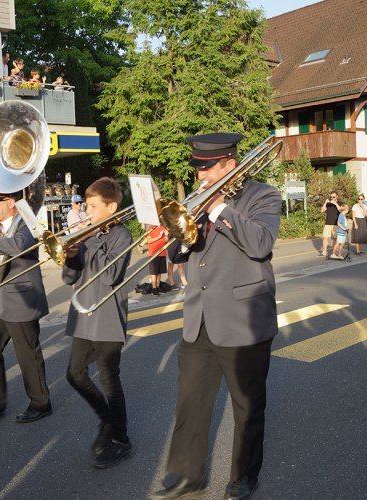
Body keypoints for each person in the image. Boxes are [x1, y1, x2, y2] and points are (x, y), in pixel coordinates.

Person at [151, 133, 281, 500]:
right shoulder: (197, 199)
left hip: (244, 317)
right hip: (199, 318)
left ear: (229, 163)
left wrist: (221, 209)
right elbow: (177, 254)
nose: (201, 176)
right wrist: (188, 238)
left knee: (246, 405)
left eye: (207, 168)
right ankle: (186, 474)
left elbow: (260, 244)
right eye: (198, 169)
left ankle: (244, 476)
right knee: (190, 400)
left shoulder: (263, 195)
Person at [62, 177, 133, 469]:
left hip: (107, 315)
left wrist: (88, 243)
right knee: (75, 374)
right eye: (87, 205)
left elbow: (111, 275)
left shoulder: (122, 236)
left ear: (111, 207)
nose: (87, 211)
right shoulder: (88, 236)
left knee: (108, 379)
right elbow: (69, 278)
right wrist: (71, 255)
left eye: (92, 206)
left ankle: (120, 438)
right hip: (83, 313)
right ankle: (106, 418)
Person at [0, 189, 51, 424]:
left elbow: (18, 246)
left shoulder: (26, 222)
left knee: (28, 356)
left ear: (11, 202)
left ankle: (40, 403)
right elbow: (0, 255)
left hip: (22, 299)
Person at [146, 224, 168, 295]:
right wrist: (159, 236)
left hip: (162, 252)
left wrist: (167, 235)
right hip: (153, 253)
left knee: (159, 271)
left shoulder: (163, 227)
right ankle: (154, 288)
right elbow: (149, 240)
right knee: (154, 272)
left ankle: (158, 286)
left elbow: (166, 241)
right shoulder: (151, 227)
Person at [319, 191, 340, 257]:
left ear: (337, 196)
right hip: (328, 223)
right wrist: (325, 203)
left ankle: (333, 252)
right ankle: (324, 252)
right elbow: (322, 211)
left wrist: (335, 204)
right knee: (325, 238)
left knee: (335, 239)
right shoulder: (328, 203)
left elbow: (341, 210)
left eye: (333, 197)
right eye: (331, 197)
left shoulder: (340, 203)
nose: (332, 198)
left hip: (336, 223)